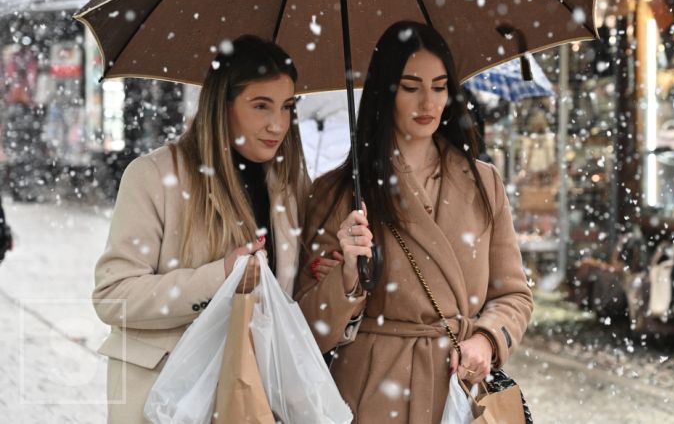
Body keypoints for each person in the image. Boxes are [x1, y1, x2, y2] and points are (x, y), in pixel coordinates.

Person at [295, 21, 534, 423]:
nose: (428, 102)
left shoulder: (483, 183)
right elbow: (307, 328)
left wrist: (485, 339)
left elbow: (514, 295)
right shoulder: (339, 193)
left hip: (459, 393)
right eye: (411, 87)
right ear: (385, 92)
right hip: (370, 392)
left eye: (439, 87)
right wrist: (348, 278)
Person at [91, 35, 337, 423]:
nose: (278, 124)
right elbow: (113, 297)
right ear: (222, 104)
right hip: (169, 398)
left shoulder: (288, 188)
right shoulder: (154, 176)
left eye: (288, 107)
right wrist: (220, 276)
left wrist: (332, 277)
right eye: (260, 106)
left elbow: (288, 305)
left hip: (251, 396)